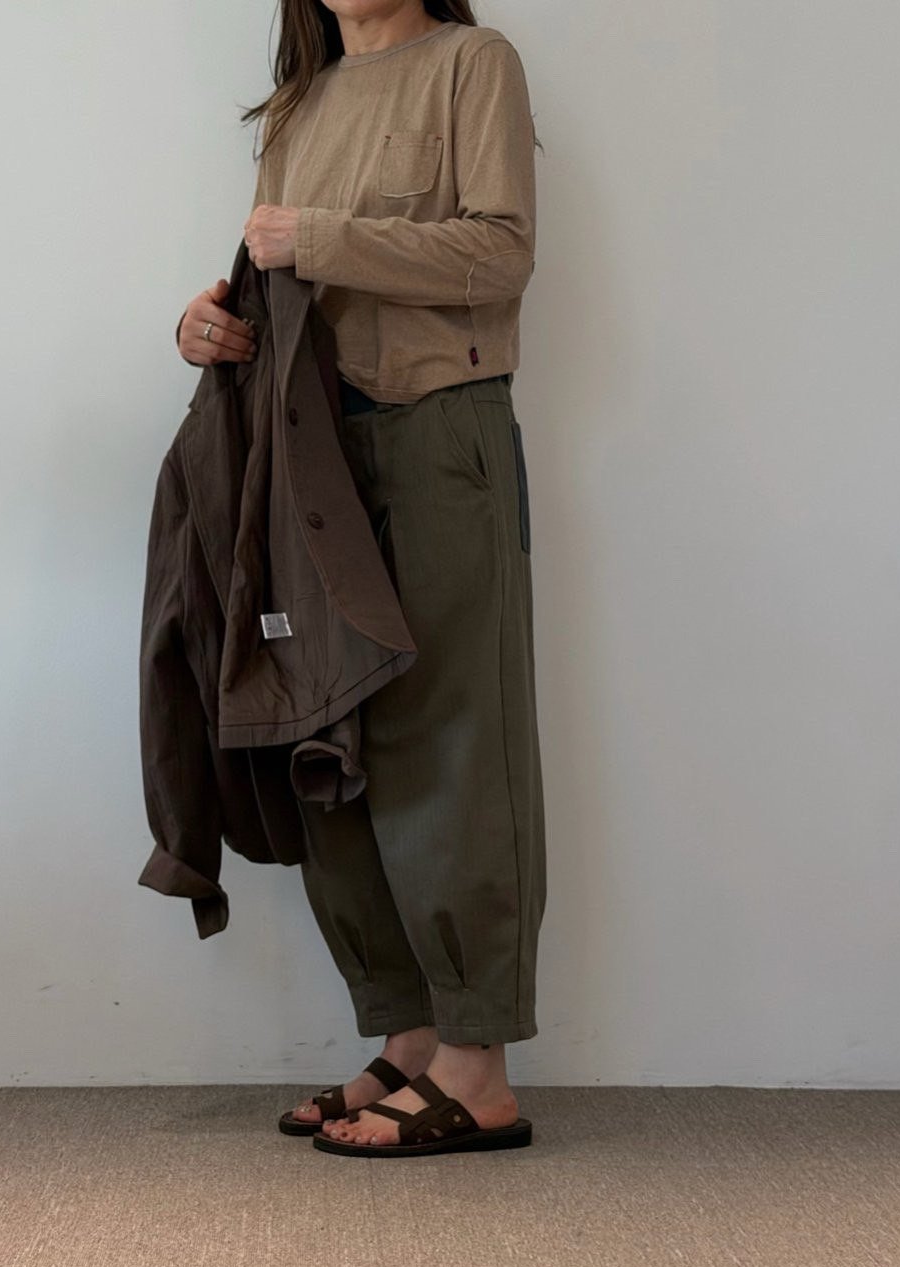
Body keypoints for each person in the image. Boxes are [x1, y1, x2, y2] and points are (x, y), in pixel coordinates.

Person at [175, 0, 545, 1156]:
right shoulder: (300, 104)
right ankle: (409, 1033)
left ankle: (479, 1067)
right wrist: (207, 325)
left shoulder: (472, 62)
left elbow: (501, 252)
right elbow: (277, 274)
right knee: (325, 734)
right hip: (307, 447)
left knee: (450, 736)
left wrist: (320, 238)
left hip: (437, 430)